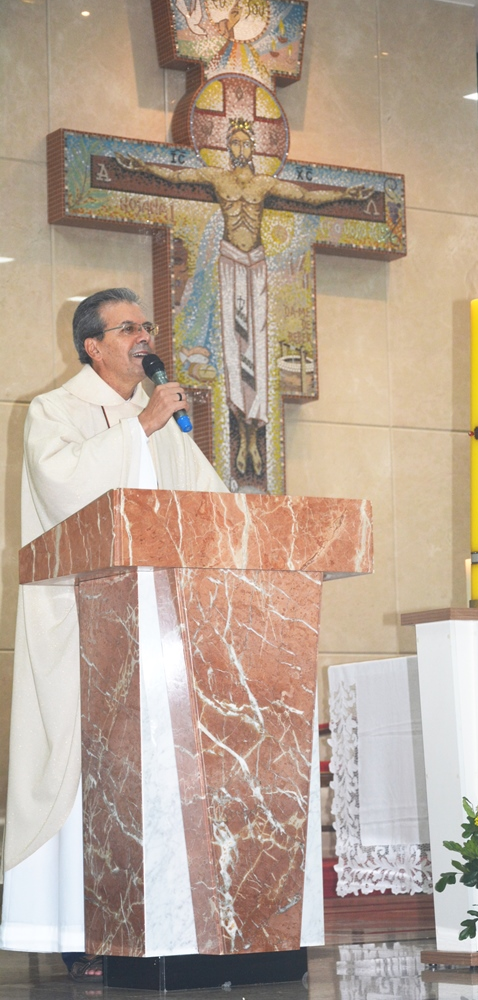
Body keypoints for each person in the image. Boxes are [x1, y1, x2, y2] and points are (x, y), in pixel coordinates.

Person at [0, 288, 228, 979]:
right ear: (92, 346)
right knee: (86, 766)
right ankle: (81, 929)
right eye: (127, 328)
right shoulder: (56, 411)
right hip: (86, 620)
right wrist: (143, 428)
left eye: (146, 326)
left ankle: (152, 921)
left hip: (159, 623)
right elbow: (64, 491)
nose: (143, 337)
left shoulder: (158, 418)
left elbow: (212, 507)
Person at [117, 122, 371, 477]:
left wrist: (346, 195)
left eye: (244, 143)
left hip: (257, 267)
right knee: (233, 353)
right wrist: (142, 167)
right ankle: (242, 429)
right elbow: (177, 176)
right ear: (227, 148)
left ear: (253, 148)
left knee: (258, 350)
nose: (239, 149)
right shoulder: (217, 179)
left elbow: (307, 196)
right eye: (234, 143)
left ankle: (254, 431)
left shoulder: (264, 184)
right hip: (230, 264)